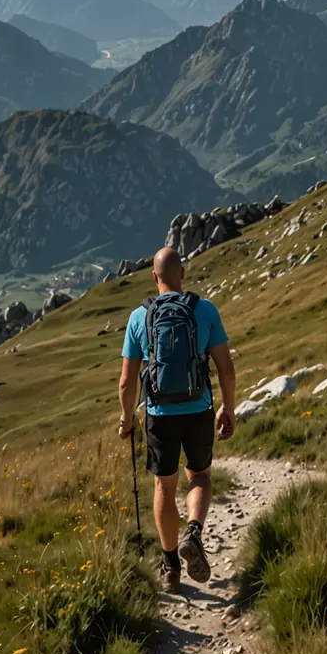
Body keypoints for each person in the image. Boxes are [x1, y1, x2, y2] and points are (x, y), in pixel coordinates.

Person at [118, 247, 237, 593]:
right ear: (183, 273)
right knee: (199, 476)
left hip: (159, 415)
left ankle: (170, 565)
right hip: (198, 411)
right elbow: (226, 368)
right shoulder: (205, 309)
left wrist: (127, 418)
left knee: (164, 486)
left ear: (153, 276)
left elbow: (126, 382)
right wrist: (228, 408)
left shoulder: (139, 317)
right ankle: (194, 532)